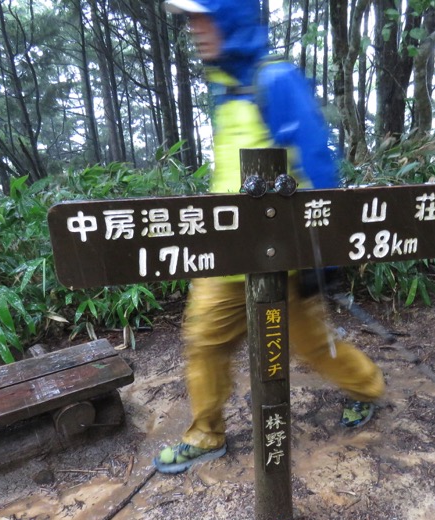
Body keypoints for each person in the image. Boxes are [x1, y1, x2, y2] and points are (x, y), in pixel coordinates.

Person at [155, 0, 384, 474]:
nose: (195, 30)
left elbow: (318, 164)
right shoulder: (225, 88)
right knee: (204, 342)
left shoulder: (275, 81)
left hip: (284, 255)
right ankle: (205, 435)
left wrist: (325, 257)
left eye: (203, 18)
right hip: (229, 255)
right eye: (191, 20)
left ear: (229, 20)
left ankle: (367, 388)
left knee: (312, 346)